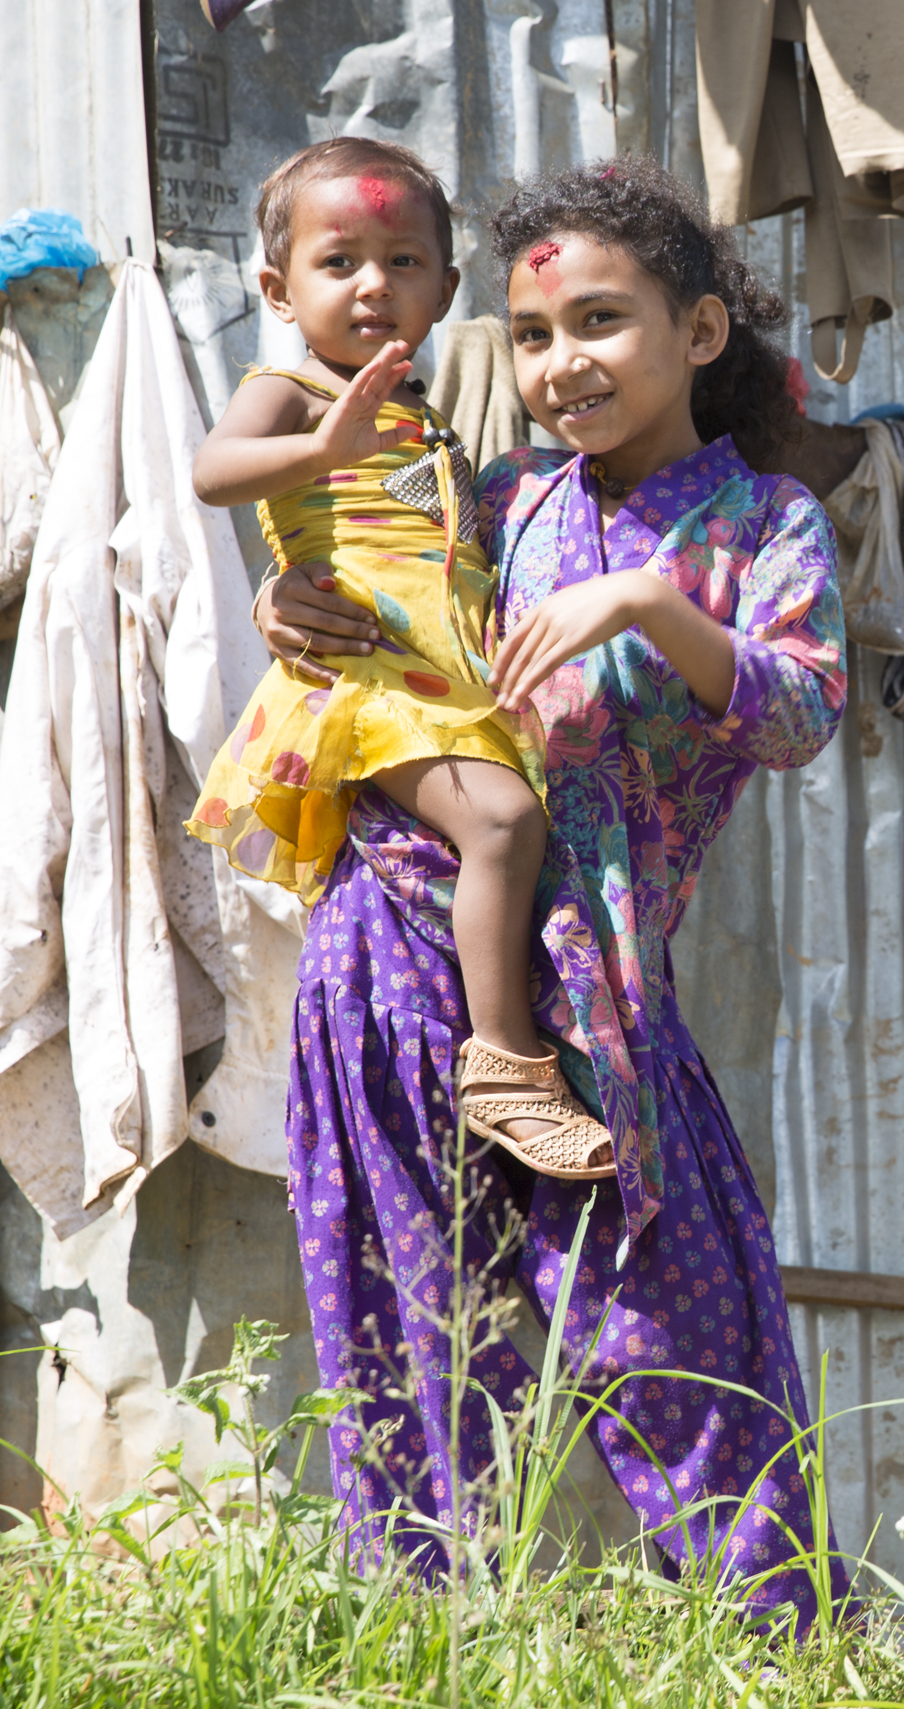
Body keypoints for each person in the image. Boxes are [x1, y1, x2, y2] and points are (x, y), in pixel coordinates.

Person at [254, 158, 846, 1617]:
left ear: (700, 332)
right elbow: (368, 594)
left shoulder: (762, 527)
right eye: (531, 339)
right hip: (396, 933)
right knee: (407, 1323)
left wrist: (648, 601)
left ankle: (772, 1652)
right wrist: (294, 604)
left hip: (605, 993)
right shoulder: (497, 500)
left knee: (678, 1329)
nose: (561, 366)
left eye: (601, 322)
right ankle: (435, 1642)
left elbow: (800, 710)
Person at [189, 138, 608, 1181]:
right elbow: (214, 470)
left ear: (447, 284)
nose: (375, 284)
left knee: (521, 822)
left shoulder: (429, 412)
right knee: (502, 820)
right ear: (277, 287)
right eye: (341, 263)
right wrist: (322, 449)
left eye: (405, 260)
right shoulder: (289, 388)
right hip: (372, 675)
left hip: (443, 676)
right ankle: (505, 1060)